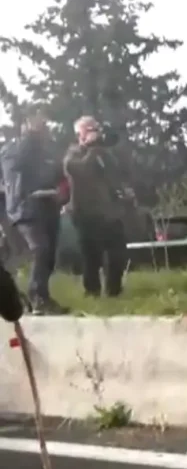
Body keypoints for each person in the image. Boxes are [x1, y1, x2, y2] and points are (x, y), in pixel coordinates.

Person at [0, 107, 68, 314]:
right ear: (25, 125)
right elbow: (16, 166)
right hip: (25, 208)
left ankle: (42, 297)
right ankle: (36, 297)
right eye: (37, 123)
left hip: (48, 206)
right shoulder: (14, 149)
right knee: (40, 248)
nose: (43, 126)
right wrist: (30, 133)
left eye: (44, 124)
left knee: (49, 255)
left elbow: (58, 173)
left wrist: (60, 191)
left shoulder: (46, 151)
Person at [63, 116, 130, 298]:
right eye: (91, 129)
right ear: (80, 133)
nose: (96, 132)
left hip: (109, 211)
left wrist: (123, 192)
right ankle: (91, 292)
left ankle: (114, 291)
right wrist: (91, 148)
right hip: (85, 212)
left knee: (118, 252)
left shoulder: (104, 153)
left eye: (97, 128)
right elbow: (80, 170)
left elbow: (114, 175)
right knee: (92, 256)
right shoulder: (73, 154)